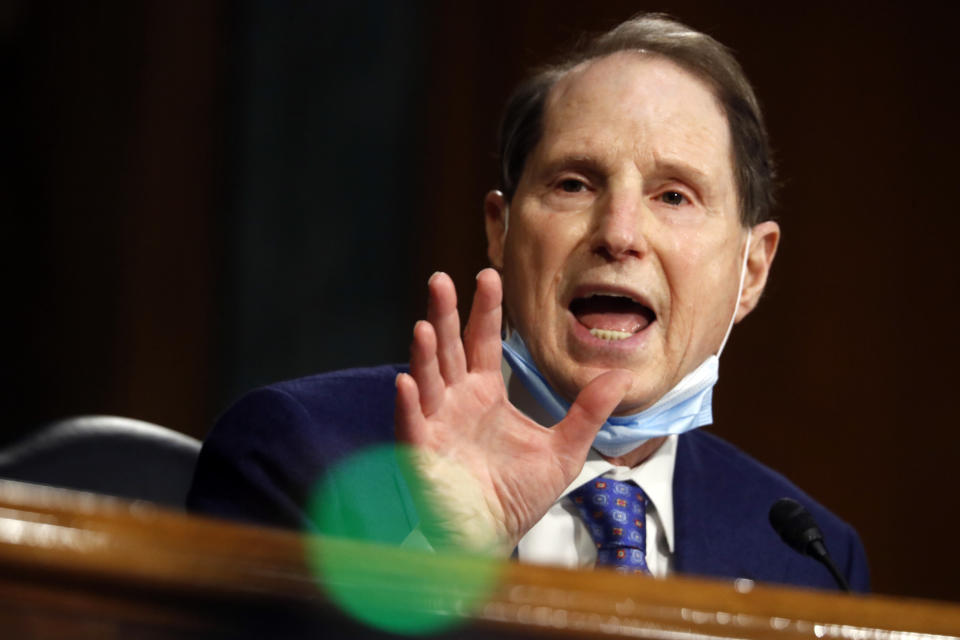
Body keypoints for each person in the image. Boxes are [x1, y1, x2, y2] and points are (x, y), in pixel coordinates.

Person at [188, 14, 869, 591]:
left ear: (752, 270)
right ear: (501, 230)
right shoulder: (298, 456)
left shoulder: (809, 558)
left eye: (674, 196)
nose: (620, 234)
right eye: (575, 184)